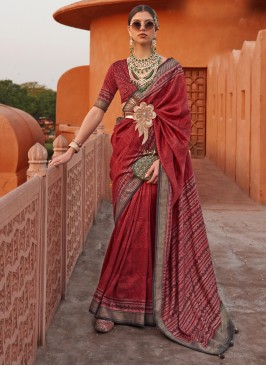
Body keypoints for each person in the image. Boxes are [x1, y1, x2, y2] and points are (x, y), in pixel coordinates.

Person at [50, 4, 238, 358]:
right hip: (125, 158)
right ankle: (115, 307)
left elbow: (182, 123)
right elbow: (98, 109)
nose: (141, 28)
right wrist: (73, 149)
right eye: (136, 24)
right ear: (128, 29)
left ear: (156, 29)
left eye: (147, 24)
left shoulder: (172, 70)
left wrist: (166, 162)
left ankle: (150, 306)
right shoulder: (118, 70)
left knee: (152, 229)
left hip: (158, 160)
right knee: (126, 231)